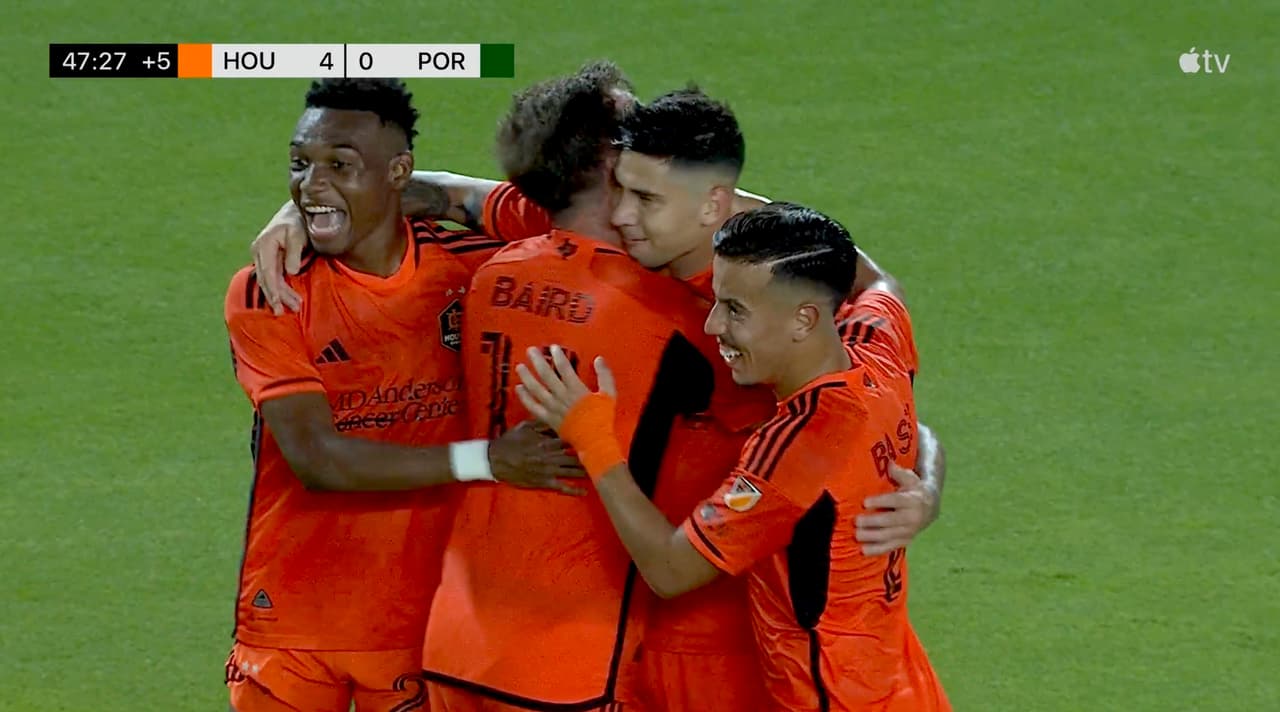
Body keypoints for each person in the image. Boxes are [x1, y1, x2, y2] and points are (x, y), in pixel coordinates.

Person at [221, 77, 582, 712]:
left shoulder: (474, 265)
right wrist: (489, 460)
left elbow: (578, 220)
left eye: (340, 166)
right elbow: (318, 460)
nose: (310, 185)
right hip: (293, 624)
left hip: (421, 623)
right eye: (300, 165)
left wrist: (439, 192)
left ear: (398, 171)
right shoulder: (271, 288)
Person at [515, 202, 952, 711]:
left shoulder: (796, 446)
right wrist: (929, 486)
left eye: (736, 309)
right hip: (905, 683)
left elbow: (671, 570)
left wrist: (591, 438)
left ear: (805, 318)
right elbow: (879, 283)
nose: (712, 324)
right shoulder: (877, 346)